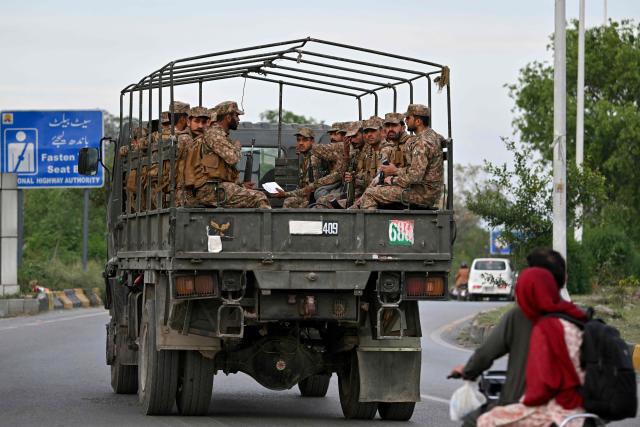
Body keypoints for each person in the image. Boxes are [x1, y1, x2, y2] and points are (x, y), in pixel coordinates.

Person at [449, 248, 569, 426]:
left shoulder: (521, 316)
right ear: (564, 279)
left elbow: (486, 354)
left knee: (472, 421)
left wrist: (469, 370)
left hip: (524, 408)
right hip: (571, 411)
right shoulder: (580, 318)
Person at [477, 267, 587, 427]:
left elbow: (541, 389)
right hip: (580, 407)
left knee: (486, 420)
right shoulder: (575, 320)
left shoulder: (542, 330)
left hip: (555, 411)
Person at [358, 104, 445, 209]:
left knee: (370, 193)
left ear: (418, 122)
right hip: (427, 190)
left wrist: (393, 177)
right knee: (379, 186)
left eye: (408, 118)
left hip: (422, 193)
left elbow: (415, 177)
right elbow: (415, 170)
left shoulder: (422, 143)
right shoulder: (431, 135)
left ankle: (371, 225)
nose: (406, 120)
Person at [185, 101, 270, 208]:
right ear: (228, 117)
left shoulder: (219, 135)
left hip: (216, 188)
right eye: (236, 115)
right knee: (259, 197)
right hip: (211, 191)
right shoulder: (214, 134)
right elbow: (233, 158)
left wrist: (241, 185)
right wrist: (237, 147)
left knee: (251, 196)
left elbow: (222, 170)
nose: (238, 119)